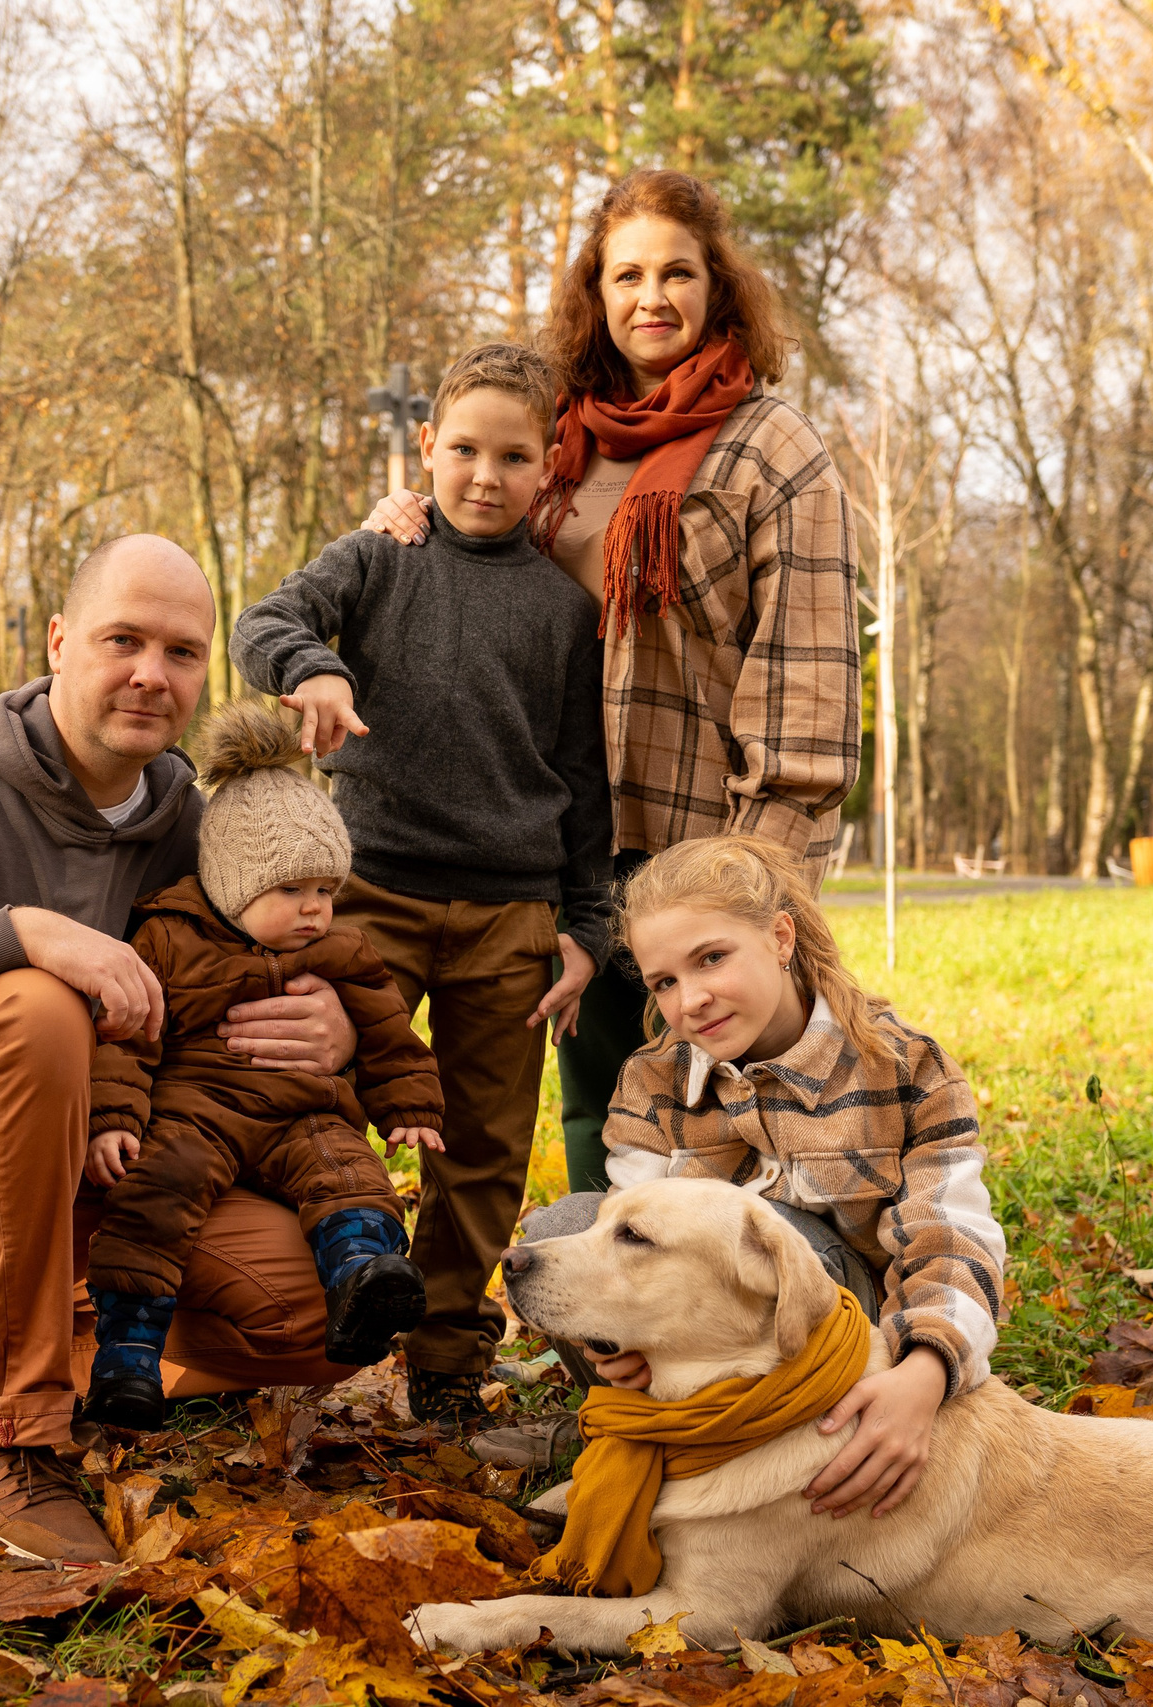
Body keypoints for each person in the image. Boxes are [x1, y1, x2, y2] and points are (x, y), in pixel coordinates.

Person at [0, 536, 364, 1566]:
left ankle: (64, 1346)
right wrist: (10, 938)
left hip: (93, 1187)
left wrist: (331, 1030)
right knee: (37, 1008)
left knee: (319, 1308)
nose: (150, 673)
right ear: (57, 643)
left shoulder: (199, 831)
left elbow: (247, 1003)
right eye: (122, 640)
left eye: (181, 651)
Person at [361, 171, 859, 1200]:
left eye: (678, 272)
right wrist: (397, 527)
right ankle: (605, 1298)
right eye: (626, 274)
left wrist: (751, 888)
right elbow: (472, 542)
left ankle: (761, 1293)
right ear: (596, 290)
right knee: (597, 1108)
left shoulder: (775, 450)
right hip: (563, 844)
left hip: (702, 842)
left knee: (718, 1113)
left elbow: (809, 695)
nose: (652, 297)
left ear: (718, 286)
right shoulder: (557, 436)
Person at [234, 341, 614, 1427]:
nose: (485, 477)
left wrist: (587, 924)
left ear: (548, 467)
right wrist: (313, 668)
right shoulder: (376, 558)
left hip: (511, 916)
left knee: (484, 1148)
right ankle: (290, 1305)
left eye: (514, 457)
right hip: (369, 897)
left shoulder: (562, 612)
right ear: (427, 447)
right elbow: (264, 623)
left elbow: (582, 778)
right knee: (314, 1095)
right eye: (464, 451)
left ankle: (447, 1357)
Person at [481, 835, 1006, 1523]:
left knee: (780, 1237)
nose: (692, 999)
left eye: (711, 958)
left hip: (842, 1354)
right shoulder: (652, 1078)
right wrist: (613, 1344)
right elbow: (625, 1242)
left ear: (781, 937)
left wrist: (923, 1377)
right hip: (695, 1346)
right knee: (568, 1228)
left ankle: (729, 1453)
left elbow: (953, 1239)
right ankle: (643, 1426)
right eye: (664, 982)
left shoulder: (904, 1068)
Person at [82, 701, 446, 1430]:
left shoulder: (342, 950)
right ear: (232, 882)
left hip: (302, 1114)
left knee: (348, 1171)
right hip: (196, 1111)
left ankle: (361, 1278)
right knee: (154, 1196)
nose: (314, 909)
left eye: (325, 890)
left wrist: (409, 1105)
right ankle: (127, 1353)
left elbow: (388, 1030)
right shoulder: (168, 937)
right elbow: (127, 1040)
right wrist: (113, 1119)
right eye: (290, 890)